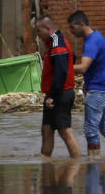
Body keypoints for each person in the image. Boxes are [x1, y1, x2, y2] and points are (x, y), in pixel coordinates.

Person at [67, 11, 105, 157]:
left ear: (82, 24)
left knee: (90, 130)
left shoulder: (91, 42)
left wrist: (61, 68)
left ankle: (93, 166)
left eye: (73, 28)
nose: (71, 32)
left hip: (97, 92)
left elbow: (82, 68)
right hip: (104, 89)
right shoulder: (97, 36)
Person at [35, 16, 81, 159]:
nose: (37, 35)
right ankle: (45, 165)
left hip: (60, 94)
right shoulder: (55, 42)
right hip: (54, 93)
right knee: (47, 130)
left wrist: (52, 96)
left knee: (65, 132)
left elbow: (61, 73)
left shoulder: (57, 44)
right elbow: (72, 57)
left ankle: (77, 164)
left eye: (38, 31)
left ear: (48, 29)